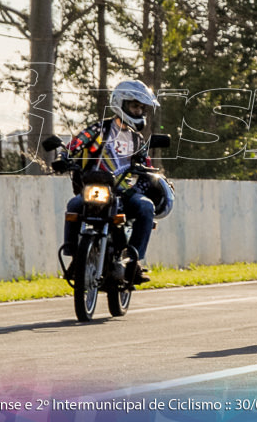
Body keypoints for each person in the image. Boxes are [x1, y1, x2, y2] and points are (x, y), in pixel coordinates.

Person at [60, 80, 173, 284]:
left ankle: (133, 261)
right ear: (120, 103)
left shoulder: (137, 140)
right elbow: (75, 144)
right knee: (73, 205)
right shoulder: (99, 129)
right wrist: (63, 158)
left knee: (146, 207)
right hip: (96, 188)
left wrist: (151, 172)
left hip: (125, 191)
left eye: (141, 107)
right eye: (134, 105)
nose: (138, 111)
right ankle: (76, 257)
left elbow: (147, 164)